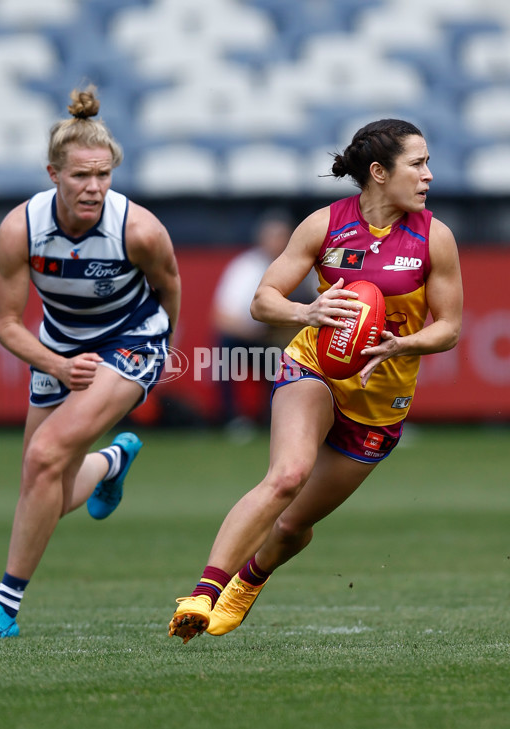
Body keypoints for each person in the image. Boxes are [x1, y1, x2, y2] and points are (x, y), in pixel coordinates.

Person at [168, 118, 463, 643]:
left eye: (426, 164)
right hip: (314, 368)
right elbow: (263, 301)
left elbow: (449, 329)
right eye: (417, 164)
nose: (428, 176)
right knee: (286, 475)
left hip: (379, 406)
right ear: (378, 172)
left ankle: (250, 579)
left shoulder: (434, 237)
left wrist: (402, 344)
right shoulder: (324, 225)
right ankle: (204, 593)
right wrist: (307, 310)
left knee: (290, 528)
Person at [0, 85, 181, 639]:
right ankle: (110, 463)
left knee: (46, 454)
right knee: (40, 487)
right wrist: (56, 365)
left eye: (103, 175)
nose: (94, 187)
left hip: (131, 340)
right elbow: (7, 323)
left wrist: (158, 355)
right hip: (58, 347)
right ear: (53, 173)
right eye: (81, 175)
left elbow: (169, 286)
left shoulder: (139, 230)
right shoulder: (21, 229)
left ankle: (2, 610)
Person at [211, 210, 317, 428]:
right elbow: (222, 317)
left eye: (281, 236)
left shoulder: (306, 265)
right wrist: (261, 332)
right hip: (256, 340)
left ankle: (285, 418)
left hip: (297, 342)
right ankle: (232, 418)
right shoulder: (246, 266)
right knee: (225, 347)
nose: (277, 242)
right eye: (272, 236)